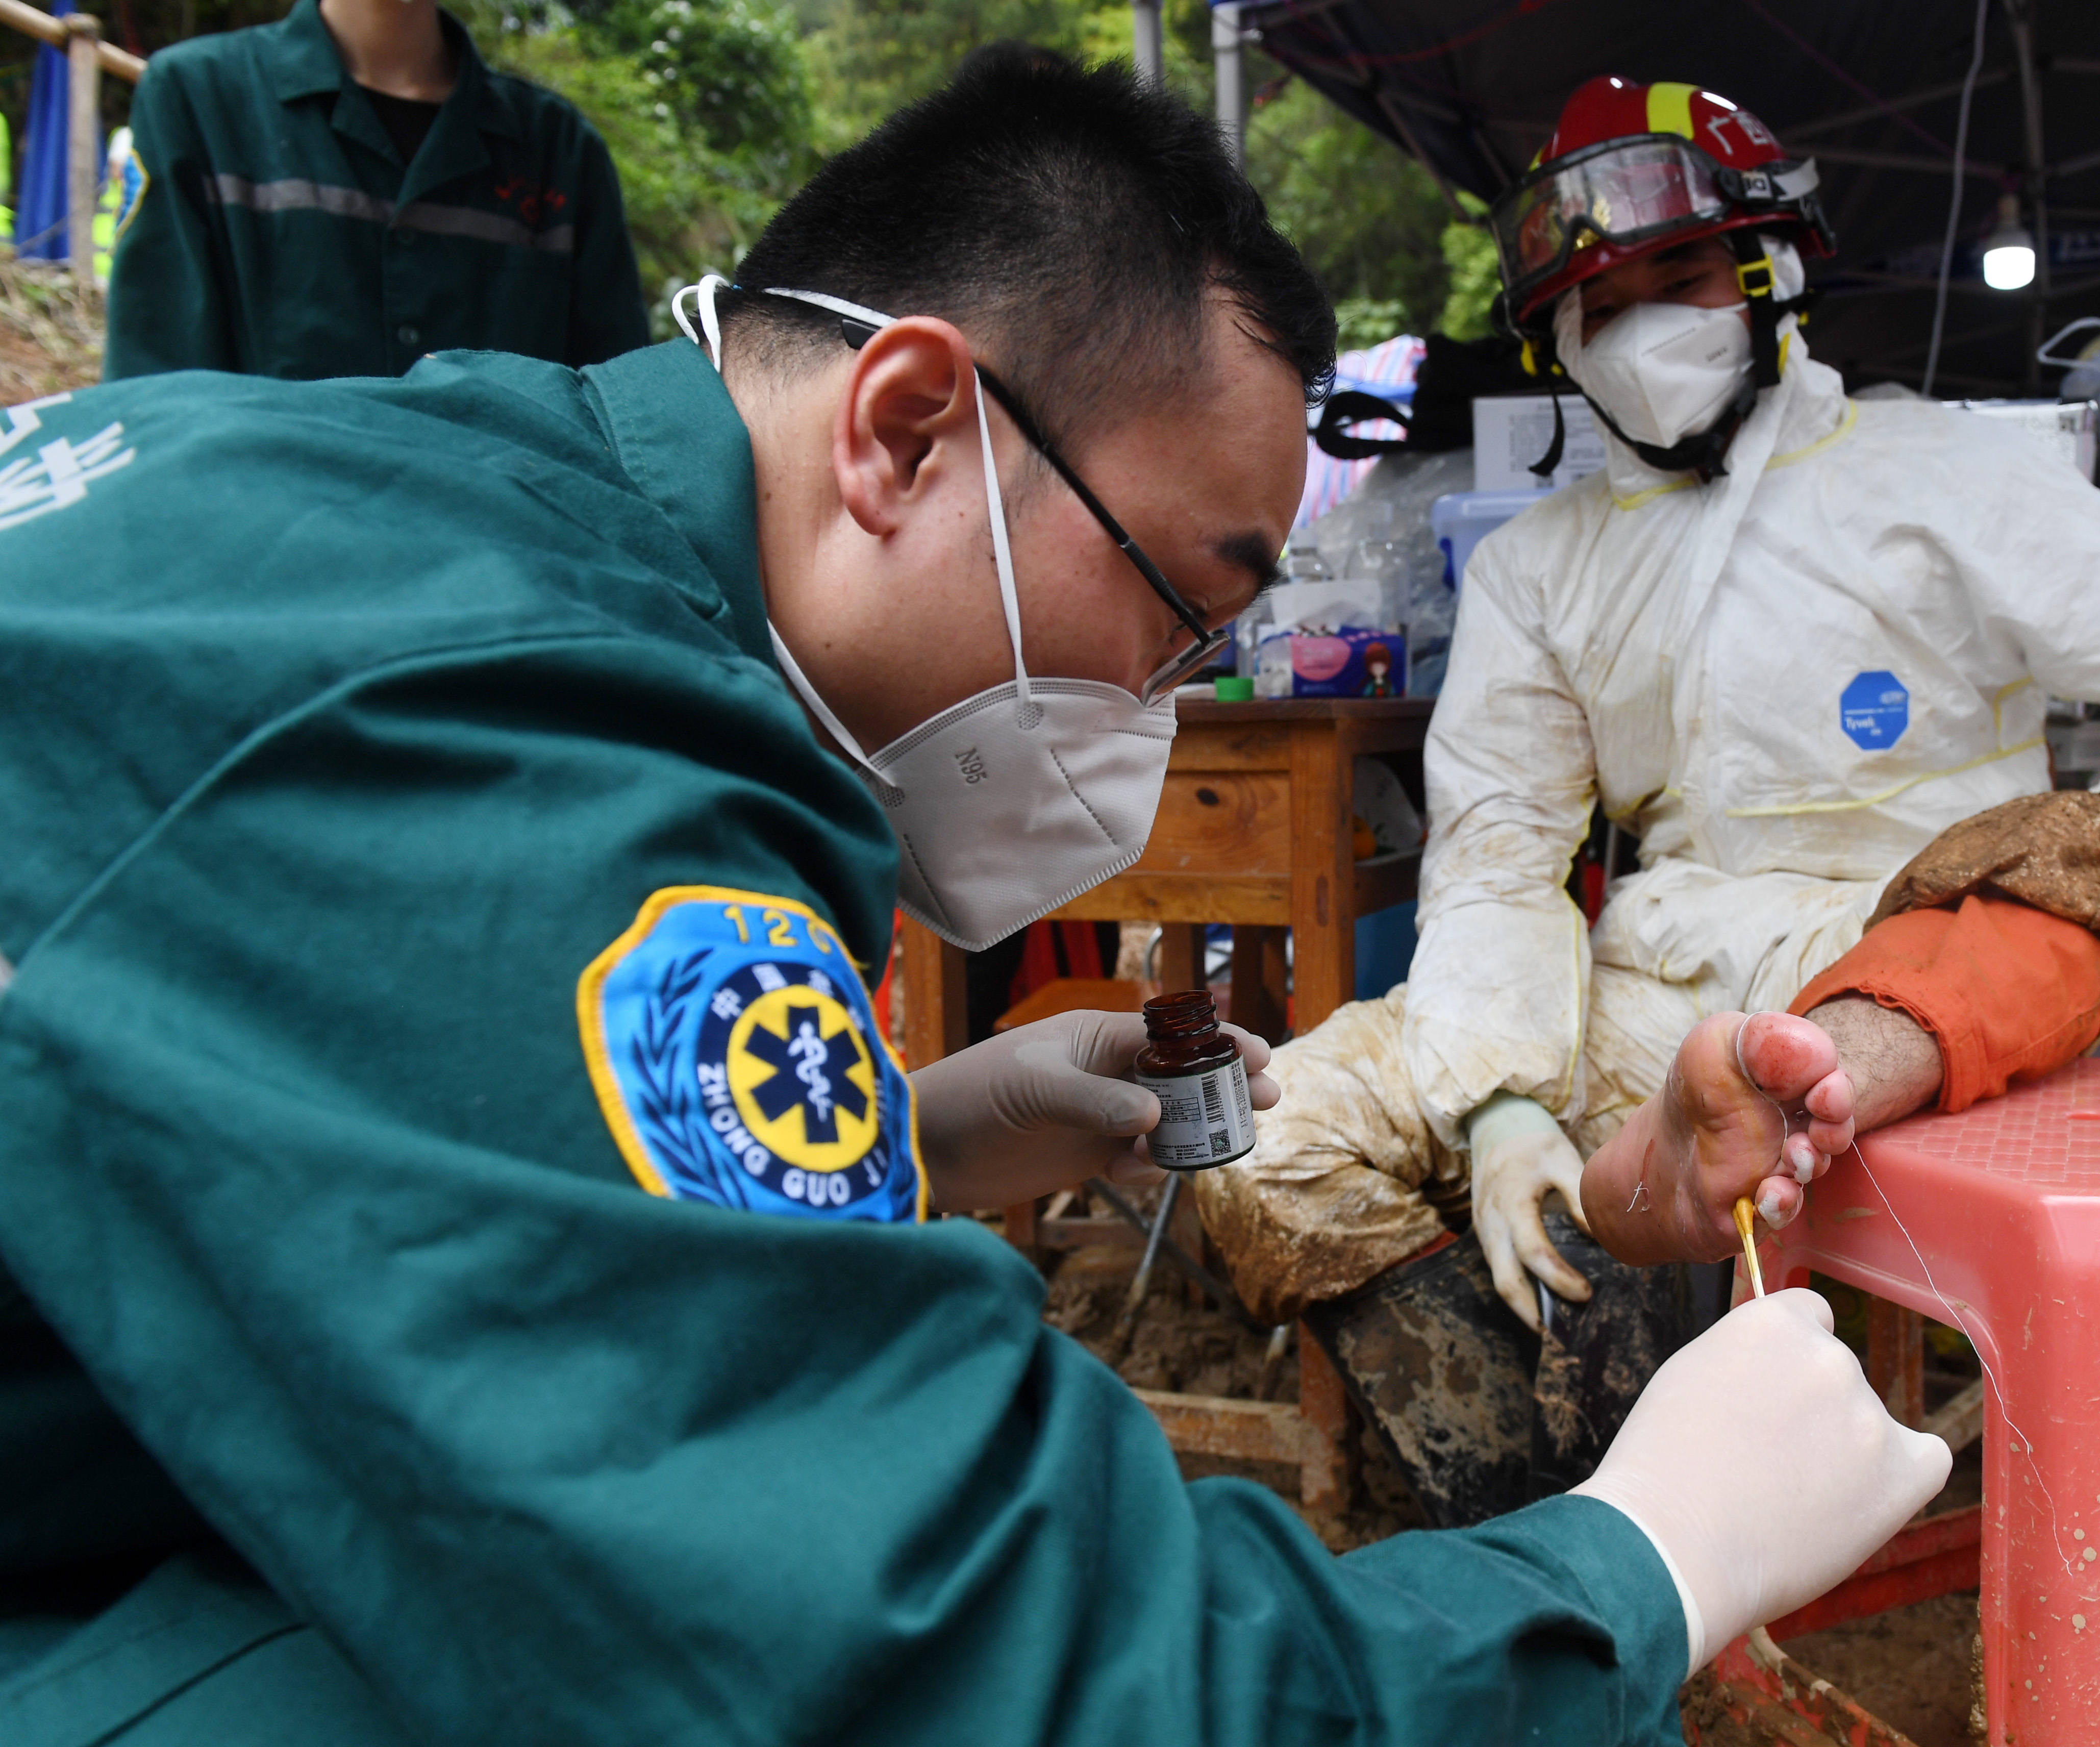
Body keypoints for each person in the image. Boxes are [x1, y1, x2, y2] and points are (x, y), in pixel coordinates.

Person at [0, 55, 1947, 1742]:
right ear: (905, 426)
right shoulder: (545, 744)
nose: (1163, 716)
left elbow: (353, 1107)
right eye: (1180, 609)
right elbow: (945, 1658)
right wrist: (1636, 1560)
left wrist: (903, 1145)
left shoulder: (385, 491)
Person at [1192, 76, 2100, 1496]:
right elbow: (1501, 853)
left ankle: (1650, 1489)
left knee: (2057, 865)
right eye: (1603, 303)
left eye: (1682, 271)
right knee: (1263, 1144)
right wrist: (1499, 1105)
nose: (1647, 323)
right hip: (1649, 981)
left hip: (1896, 974)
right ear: (1558, 350)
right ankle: (1520, 1496)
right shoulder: (1542, 566)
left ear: (1769, 271)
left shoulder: (1943, 473)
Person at [103, 0, 646, 380]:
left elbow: (613, 413)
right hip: (266, 535)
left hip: (501, 542)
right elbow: (152, 390)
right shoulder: (198, 100)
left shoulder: (560, 150)